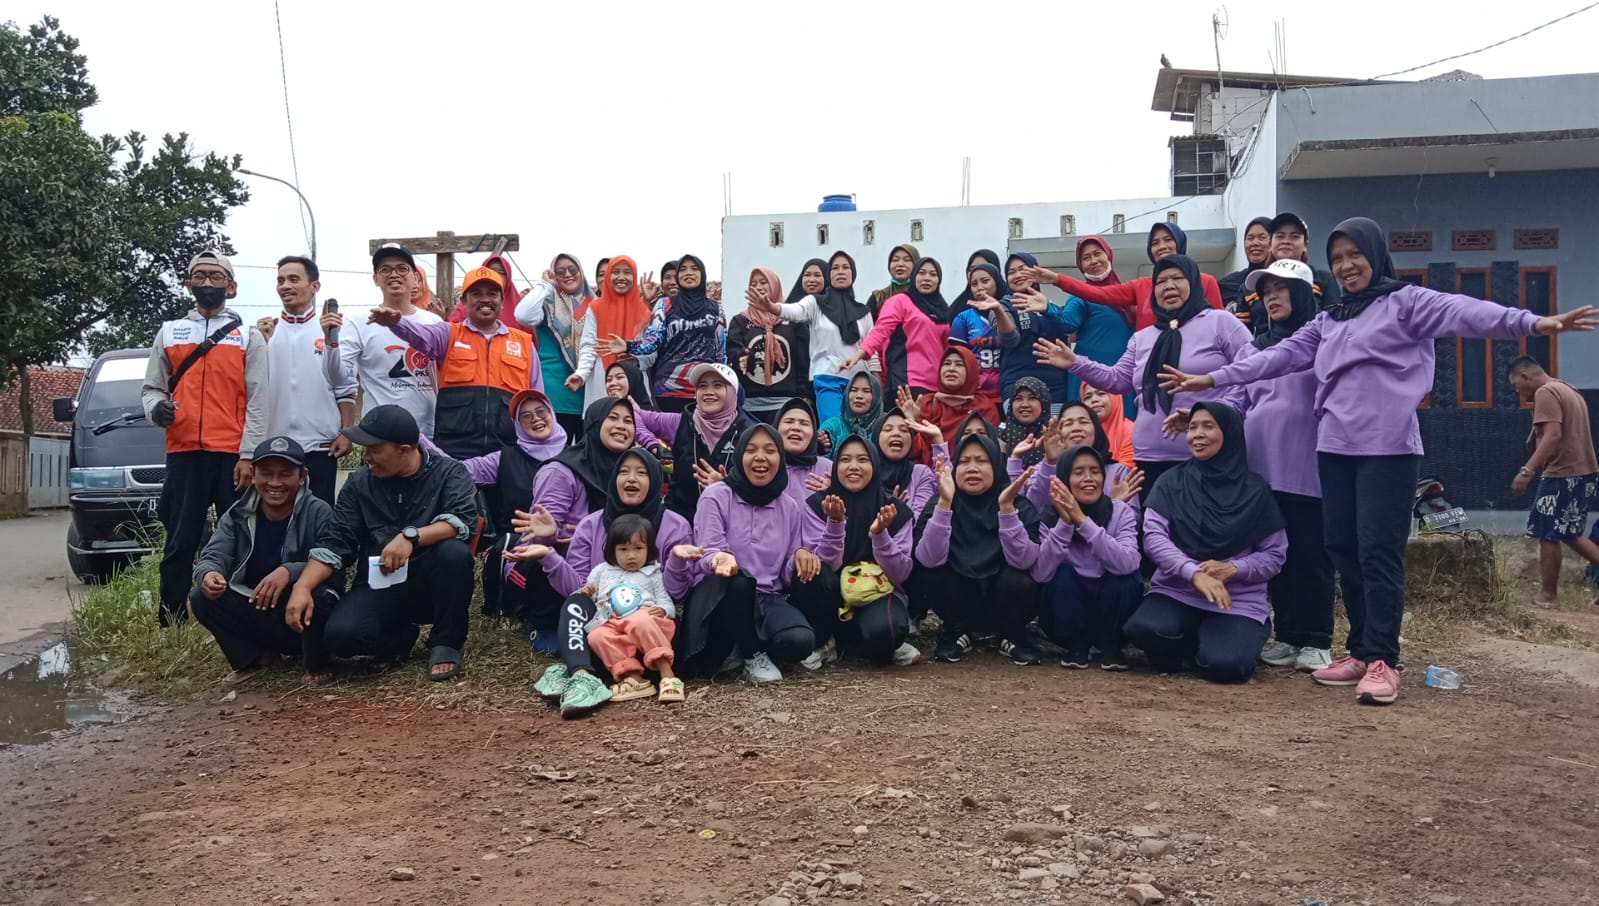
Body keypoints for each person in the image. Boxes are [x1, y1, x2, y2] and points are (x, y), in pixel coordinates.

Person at [1162, 216, 1597, 704]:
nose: (1347, 266)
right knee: (1343, 549)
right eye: (1338, 259)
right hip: (1334, 447)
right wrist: (1212, 379)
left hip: (1387, 449)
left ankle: (1384, 660)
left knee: (1377, 552)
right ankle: (1360, 650)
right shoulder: (1330, 319)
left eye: (1355, 255)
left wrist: (1533, 323)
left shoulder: (1406, 303)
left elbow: (1465, 312)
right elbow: (1275, 358)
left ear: (1374, 255)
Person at [287, 405, 480, 681]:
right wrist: (302, 587)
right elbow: (336, 541)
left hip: (431, 582)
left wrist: (410, 537)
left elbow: (461, 522)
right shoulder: (359, 483)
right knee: (341, 637)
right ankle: (399, 638)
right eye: (364, 448)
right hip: (379, 580)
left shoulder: (450, 472)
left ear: (404, 449)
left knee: (454, 554)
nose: (365, 457)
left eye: (374, 450)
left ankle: (446, 642)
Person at [1034, 254, 1250, 493]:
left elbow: (1250, 373)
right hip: (1149, 456)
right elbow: (1117, 379)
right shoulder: (1143, 337)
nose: (1168, 286)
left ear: (1194, 283)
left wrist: (1215, 415)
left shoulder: (1221, 323)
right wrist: (1075, 362)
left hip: (1208, 453)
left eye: (1177, 278)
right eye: (1161, 281)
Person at [511, 448, 696, 717]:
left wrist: (677, 562)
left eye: (641, 473)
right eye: (624, 471)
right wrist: (548, 554)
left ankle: (663, 674)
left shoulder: (675, 525)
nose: (631, 478)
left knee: (641, 621)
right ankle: (582, 676)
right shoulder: (591, 524)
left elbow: (677, 593)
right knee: (576, 605)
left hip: (654, 632)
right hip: (609, 632)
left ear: (656, 480)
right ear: (613, 479)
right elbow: (578, 589)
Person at [142, 250, 269, 625]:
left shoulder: (248, 337)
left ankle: (242, 618)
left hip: (232, 455)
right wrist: (157, 409)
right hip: (184, 453)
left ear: (231, 286)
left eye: (216, 277)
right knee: (180, 540)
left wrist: (249, 455)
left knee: (241, 538)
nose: (208, 283)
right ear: (188, 284)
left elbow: (259, 399)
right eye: (200, 276)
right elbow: (152, 389)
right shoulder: (169, 332)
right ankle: (171, 619)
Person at [1123, 402, 1288, 683]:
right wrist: (1193, 573)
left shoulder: (1255, 491)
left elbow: (1274, 554)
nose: (1197, 434)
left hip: (1235, 600)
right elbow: (1154, 538)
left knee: (1227, 667)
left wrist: (1234, 568)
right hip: (1177, 591)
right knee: (1145, 630)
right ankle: (1198, 645)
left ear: (1230, 433)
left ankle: (1221, 644)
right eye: (1192, 427)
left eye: (1208, 426)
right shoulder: (1171, 481)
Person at [1235, 260, 1335, 672]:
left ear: (1304, 294)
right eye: (1267, 291)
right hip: (1261, 469)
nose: (1272, 297)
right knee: (1276, 555)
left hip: (1307, 467)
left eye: (1281, 289)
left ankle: (1317, 639)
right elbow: (1237, 399)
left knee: (1311, 554)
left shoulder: (1323, 342)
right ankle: (1288, 635)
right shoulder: (1253, 348)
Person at [672, 424, 823, 683]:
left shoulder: (788, 506)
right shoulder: (716, 496)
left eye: (770, 451)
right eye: (751, 450)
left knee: (800, 641)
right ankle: (752, 653)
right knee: (739, 581)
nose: (760, 458)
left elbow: (786, 572)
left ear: (780, 458)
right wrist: (719, 559)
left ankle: (743, 644)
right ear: (739, 455)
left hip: (766, 597)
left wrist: (800, 555)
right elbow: (707, 551)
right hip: (719, 596)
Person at [190, 436, 339, 685]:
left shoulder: (319, 512)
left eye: (285, 474)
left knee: (322, 595)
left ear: (302, 476)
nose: (275, 483)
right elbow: (213, 555)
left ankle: (317, 662)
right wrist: (209, 574)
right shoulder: (237, 514)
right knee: (200, 597)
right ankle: (255, 659)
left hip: (302, 609)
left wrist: (289, 572)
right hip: (257, 603)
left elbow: (334, 562)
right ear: (253, 474)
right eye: (266, 473)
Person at [513, 397, 639, 647]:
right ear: (593, 423)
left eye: (628, 421)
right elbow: (534, 535)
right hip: (565, 558)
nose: (621, 426)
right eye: (612, 418)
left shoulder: (631, 470)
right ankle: (545, 623)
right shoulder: (561, 472)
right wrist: (553, 535)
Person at [381, 265, 539, 459]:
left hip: (508, 453)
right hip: (454, 454)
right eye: (476, 294)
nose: (485, 299)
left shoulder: (524, 343)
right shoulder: (448, 334)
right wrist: (397, 322)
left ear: (502, 300)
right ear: (464, 301)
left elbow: (536, 399)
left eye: (492, 293)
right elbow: (420, 335)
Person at [914, 433, 1042, 664]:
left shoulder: (1017, 503)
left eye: (982, 461)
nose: (972, 468)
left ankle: (1012, 634)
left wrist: (1006, 510)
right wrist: (944, 504)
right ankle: (956, 631)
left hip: (1004, 599)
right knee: (934, 572)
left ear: (997, 466)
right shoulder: (940, 501)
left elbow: (1026, 561)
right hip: (959, 600)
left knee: (1020, 578)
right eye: (964, 461)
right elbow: (927, 559)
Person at [796, 437, 921, 667]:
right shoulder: (818, 504)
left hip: (875, 592)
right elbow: (823, 564)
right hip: (832, 595)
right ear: (835, 466)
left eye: (863, 460)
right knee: (810, 572)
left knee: (886, 632)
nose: (853, 466)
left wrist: (880, 535)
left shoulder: (895, 510)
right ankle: (825, 641)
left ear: (875, 465)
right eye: (845, 460)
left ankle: (863, 642)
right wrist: (835, 523)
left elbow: (901, 574)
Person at [457, 391, 568, 621]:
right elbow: (455, 470)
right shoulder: (504, 458)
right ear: (516, 424)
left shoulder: (576, 455)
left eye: (541, 411)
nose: (535, 419)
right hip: (517, 547)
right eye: (525, 416)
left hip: (566, 543)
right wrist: (419, 439)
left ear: (552, 413)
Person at [1033, 444, 1142, 670]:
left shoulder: (1119, 510)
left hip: (1110, 604)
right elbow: (1041, 573)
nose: (1089, 478)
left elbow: (1129, 562)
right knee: (1060, 574)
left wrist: (1082, 521)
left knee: (1124, 577)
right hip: (1068, 612)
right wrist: (1065, 523)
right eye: (1078, 472)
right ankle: (1077, 643)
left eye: (1095, 471)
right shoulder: (1049, 515)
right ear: (1064, 478)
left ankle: (1111, 644)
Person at [256, 255, 352, 504]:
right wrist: (262, 344)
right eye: (280, 280)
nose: (285, 286)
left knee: (320, 515)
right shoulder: (265, 333)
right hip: (276, 444)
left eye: (293, 279)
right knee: (277, 515)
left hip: (321, 444)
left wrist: (347, 433)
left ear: (314, 286)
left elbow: (345, 386)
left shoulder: (333, 330)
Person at [320, 244, 442, 437]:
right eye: (385, 269)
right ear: (375, 278)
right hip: (380, 437)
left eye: (402, 268)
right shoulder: (358, 321)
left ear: (415, 278)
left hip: (430, 433)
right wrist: (330, 342)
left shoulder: (434, 322)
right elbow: (337, 378)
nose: (394, 274)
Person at [1508, 355, 1599, 608]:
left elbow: (1552, 435)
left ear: (1525, 376)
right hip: (1584, 471)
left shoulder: (1546, 392)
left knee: (1547, 531)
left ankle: (1548, 596)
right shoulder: (1568, 389)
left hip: (1562, 473)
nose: (1518, 391)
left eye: (1516, 385)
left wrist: (1527, 470)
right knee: (1570, 533)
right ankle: (1548, 595)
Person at [1024, 223, 1224, 331]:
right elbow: (1099, 294)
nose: (1162, 246)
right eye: (1155, 243)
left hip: (1196, 370)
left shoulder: (1205, 282)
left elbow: (1220, 328)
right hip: (1150, 370)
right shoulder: (1141, 286)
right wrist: (1057, 279)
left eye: (1167, 239)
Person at [576, 514, 685, 704]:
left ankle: (668, 675)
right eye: (623, 549)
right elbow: (594, 598)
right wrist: (587, 591)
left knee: (639, 620)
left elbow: (666, 601)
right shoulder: (602, 571)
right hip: (612, 622)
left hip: (645, 620)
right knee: (596, 636)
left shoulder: (652, 573)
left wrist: (664, 610)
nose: (631, 555)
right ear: (612, 550)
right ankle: (634, 678)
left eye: (638, 548)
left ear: (649, 549)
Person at [760, 251, 875, 424]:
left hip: (859, 383)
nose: (840, 272)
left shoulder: (864, 313)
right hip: (828, 378)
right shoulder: (815, 303)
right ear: (829, 274)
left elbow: (872, 350)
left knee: (858, 433)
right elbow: (796, 311)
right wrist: (773, 307)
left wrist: (876, 383)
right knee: (834, 429)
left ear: (853, 273)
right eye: (835, 268)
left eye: (845, 267)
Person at [634, 363, 752, 523]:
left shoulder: (750, 433)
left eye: (717, 385)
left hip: (730, 522)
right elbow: (632, 414)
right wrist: (653, 445)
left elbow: (759, 487)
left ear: (732, 392)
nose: (709, 392)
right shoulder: (679, 422)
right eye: (702, 386)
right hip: (680, 522)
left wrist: (727, 485)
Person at [614, 254, 726, 413]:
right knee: (673, 429)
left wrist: (724, 381)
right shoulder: (664, 305)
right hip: (670, 388)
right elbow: (653, 341)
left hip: (705, 387)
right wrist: (628, 346)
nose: (689, 273)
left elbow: (721, 352)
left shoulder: (716, 308)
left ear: (702, 274)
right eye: (683, 269)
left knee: (703, 429)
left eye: (694, 269)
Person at [1039, 237, 1137, 414]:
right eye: (1086, 258)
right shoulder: (1081, 295)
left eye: (1097, 254)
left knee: (1126, 423)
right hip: (1089, 377)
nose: (1093, 261)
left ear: (1108, 256)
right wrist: (1047, 307)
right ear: (1081, 265)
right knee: (1088, 424)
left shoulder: (1127, 293)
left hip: (1124, 375)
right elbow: (1068, 322)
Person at [513, 253, 597, 435]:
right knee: (556, 450)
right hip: (555, 393)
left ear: (581, 272)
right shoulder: (547, 304)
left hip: (589, 393)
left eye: (573, 269)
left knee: (587, 450)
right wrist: (545, 285)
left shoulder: (594, 305)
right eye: (560, 271)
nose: (567, 274)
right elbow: (523, 315)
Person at [844, 256, 951, 400]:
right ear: (913, 276)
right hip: (906, 383)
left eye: (933, 274)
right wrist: (859, 354)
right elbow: (881, 330)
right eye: (921, 273)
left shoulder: (944, 311)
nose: (927, 278)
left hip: (937, 387)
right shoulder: (900, 301)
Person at [1236, 213, 1343, 332]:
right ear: (1271, 243)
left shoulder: (1324, 279)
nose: (1286, 241)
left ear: (1305, 245)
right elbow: (1242, 334)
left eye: (1294, 236)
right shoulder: (1250, 285)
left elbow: (1334, 325)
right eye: (1280, 236)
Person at [728, 266, 810, 422]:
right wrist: (742, 357)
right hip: (749, 405)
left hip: (786, 403)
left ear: (774, 285)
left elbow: (803, 360)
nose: (758, 287)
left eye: (763, 282)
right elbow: (733, 348)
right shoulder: (740, 321)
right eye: (753, 284)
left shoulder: (793, 321)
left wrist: (805, 394)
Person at [1000, 253, 1071, 405]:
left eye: (1023, 269)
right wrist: (997, 311)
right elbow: (1009, 339)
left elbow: (1067, 331)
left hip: (1055, 386)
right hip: (1017, 387)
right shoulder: (1003, 306)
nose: (1017, 275)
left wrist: (1047, 309)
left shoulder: (1051, 306)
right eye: (1011, 272)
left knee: (1054, 422)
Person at [911, 345, 1001, 460]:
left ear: (971, 370)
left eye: (959, 364)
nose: (951, 369)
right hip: (932, 469)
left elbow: (991, 452)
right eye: (947, 363)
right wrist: (911, 426)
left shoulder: (984, 407)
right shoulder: (926, 403)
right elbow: (914, 453)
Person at [576, 256, 653, 387]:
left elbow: (651, 349)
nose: (621, 277)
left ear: (634, 276)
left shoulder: (644, 312)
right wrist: (581, 374)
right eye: (615, 272)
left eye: (627, 272)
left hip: (634, 377)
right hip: (601, 379)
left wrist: (638, 360)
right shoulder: (595, 308)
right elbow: (589, 345)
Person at [948, 263, 1018, 397]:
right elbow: (956, 358)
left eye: (985, 281)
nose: (979, 288)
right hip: (976, 393)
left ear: (997, 282)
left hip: (1009, 389)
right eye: (974, 284)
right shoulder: (963, 318)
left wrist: (997, 309)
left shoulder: (1013, 311)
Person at [872, 408, 938, 515]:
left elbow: (924, 517)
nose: (896, 434)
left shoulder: (920, 474)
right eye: (888, 429)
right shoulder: (867, 473)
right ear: (876, 437)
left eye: (904, 430)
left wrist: (938, 441)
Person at [448, 252, 530, 333]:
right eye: (477, 294)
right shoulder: (466, 307)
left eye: (501, 273)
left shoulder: (521, 309)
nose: (496, 275)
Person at [1216, 216, 1274, 320]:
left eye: (1262, 238)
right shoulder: (1227, 284)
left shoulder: (1282, 279)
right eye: (1250, 238)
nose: (1255, 243)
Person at [776, 397, 832, 504]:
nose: (796, 428)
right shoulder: (765, 466)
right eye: (789, 422)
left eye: (804, 423)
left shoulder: (828, 469)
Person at [819, 371, 884, 453]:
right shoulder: (832, 426)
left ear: (876, 396)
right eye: (854, 390)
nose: (859, 396)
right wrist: (821, 449)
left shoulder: (885, 426)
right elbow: (820, 458)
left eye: (866, 391)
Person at [998, 377, 1051, 468]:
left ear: (1043, 402)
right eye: (1018, 398)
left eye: (1032, 398)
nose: (1025, 405)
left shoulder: (1054, 437)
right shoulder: (1000, 437)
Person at [1080, 382, 1136, 468]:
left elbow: (1126, 470)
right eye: (1088, 397)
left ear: (1115, 397)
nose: (1094, 399)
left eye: (1101, 393)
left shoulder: (1131, 430)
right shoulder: (1080, 432)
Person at [945, 249, 1003, 323]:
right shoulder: (959, 308)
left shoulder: (1011, 303)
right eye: (971, 269)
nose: (977, 271)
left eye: (984, 267)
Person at [866, 243, 920, 316]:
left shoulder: (924, 296)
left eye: (907, 260)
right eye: (895, 260)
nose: (900, 264)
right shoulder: (879, 298)